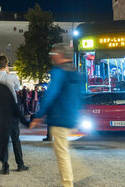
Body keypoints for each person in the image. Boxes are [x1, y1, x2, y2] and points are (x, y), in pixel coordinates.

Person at [30, 44, 82, 187]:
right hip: (70, 116)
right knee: (65, 149)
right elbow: (79, 96)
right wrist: (77, 116)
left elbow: (51, 94)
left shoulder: (59, 72)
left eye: (53, 53)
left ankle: (68, 183)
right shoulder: (75, 71)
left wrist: (38, 115)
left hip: (60, 117)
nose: (51, 56)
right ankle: (75, 174)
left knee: (62, 154)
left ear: (60, 54)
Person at [0, 55, 29, 174]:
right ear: (6, 64)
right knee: (15, 137)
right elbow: (17, 87)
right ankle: (20, 164)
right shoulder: (12, 77)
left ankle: (5, 166)